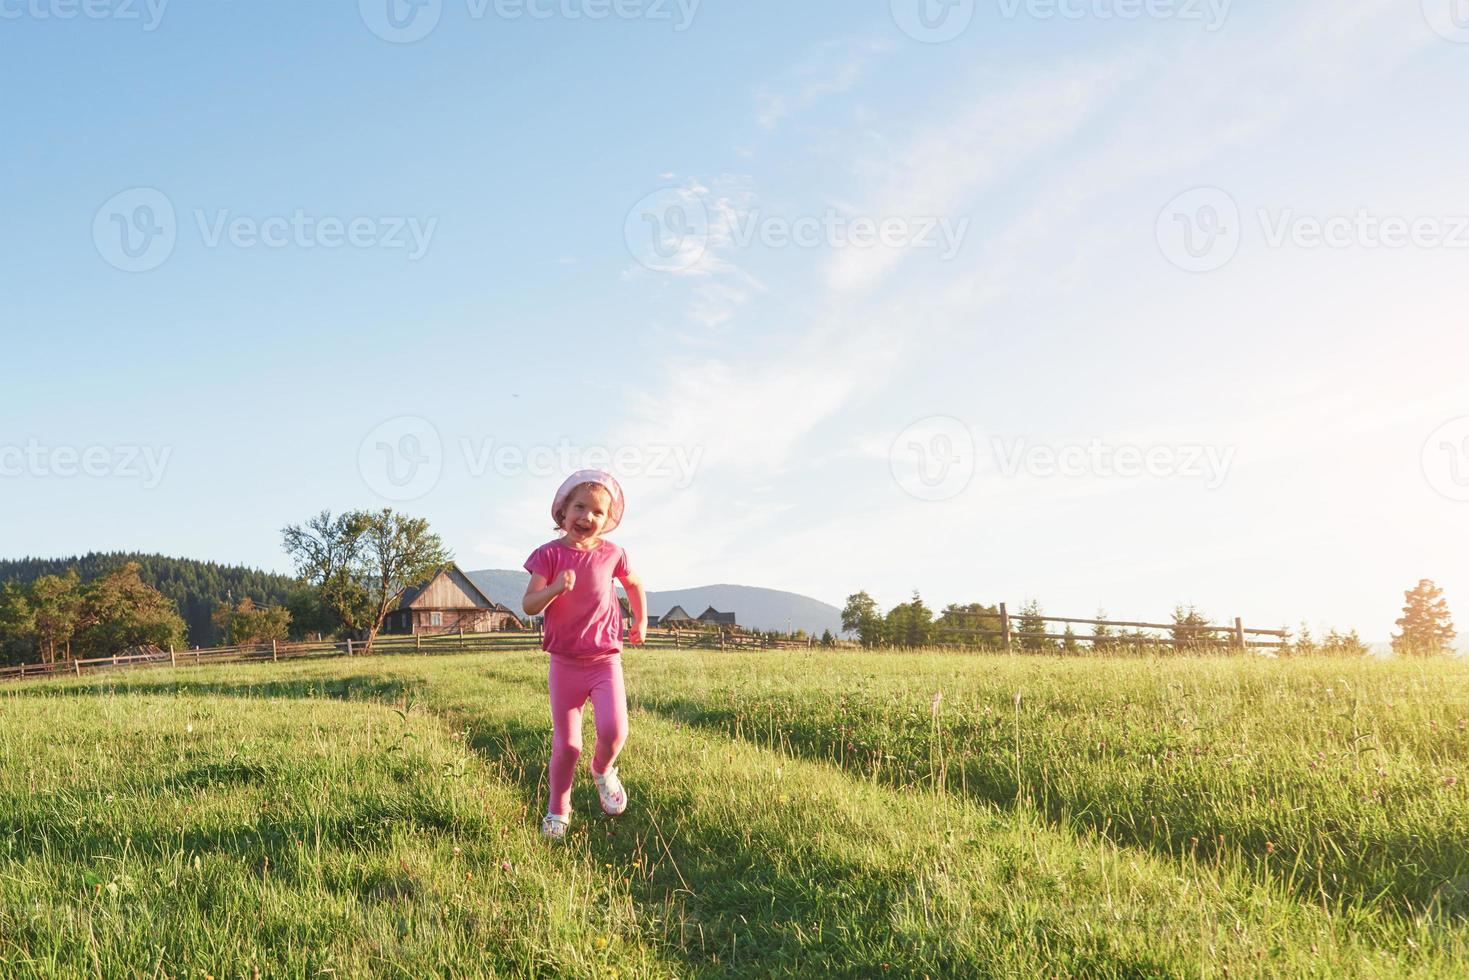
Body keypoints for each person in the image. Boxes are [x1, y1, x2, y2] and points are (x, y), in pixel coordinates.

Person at [522, 469, 647, 841]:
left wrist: (641, 620)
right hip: (565, 663)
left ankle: (603, 769)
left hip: (605, 660)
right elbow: (529, 604)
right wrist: (556, 588)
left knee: (614, 730)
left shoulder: (613, 554)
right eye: (579, 507)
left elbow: (635, 583)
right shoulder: (548, 555)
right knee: (568, 745)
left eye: (597, 512)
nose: (587, 517)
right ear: (562, 512)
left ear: (607, 520)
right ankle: (558, 809)